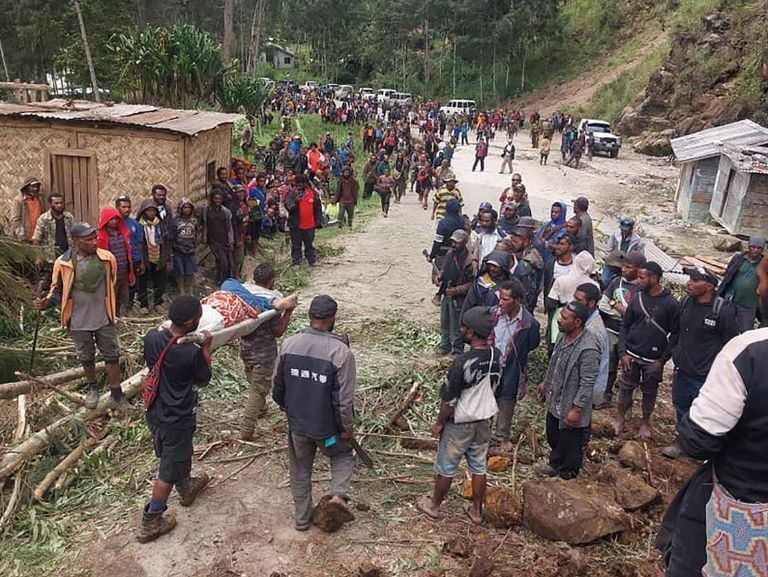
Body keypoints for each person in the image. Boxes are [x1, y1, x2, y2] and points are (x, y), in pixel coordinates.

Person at [655, 302, 768, 577]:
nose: (756, 290)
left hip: (740, 507)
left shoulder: (748, 351)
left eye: (762, 280)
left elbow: (698, 442)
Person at [272, 295, 356, 531]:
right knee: (340, 455)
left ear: (309, 317)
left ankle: (301, 518)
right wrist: (345, 428)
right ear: (333, 319)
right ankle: (338, 497)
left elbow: (277, 387)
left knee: (300, 466)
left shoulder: (289, 344)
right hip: (327, 431)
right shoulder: (341, 353)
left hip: (298, 426)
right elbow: (343, 400)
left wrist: (288, 408)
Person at [417, 306, 501, 525]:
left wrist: (439, 422)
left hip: (460, 422)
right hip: (484, 420)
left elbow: (449, 400)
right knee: (478, 467)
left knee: (447, 466)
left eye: (464, 327)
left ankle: (434, 506)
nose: (461, 330)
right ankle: (476, 511)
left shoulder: (463, 362)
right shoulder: (496, 355)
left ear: (471, 333)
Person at [138, 295, 213, 543]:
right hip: (177, 418)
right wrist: (205, 349)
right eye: (199, 317)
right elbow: (203, 379)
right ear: (191, 321)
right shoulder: (190, 353)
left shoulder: (152, 337)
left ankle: (187, 485)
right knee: (167, 470)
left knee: (176, 454)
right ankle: (152, 519)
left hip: (155, 412)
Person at [35, 223, 128, 410]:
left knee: (112, 355)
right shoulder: (63, 263)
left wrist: (113, 308)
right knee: (86, 356)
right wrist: (45, 303)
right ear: (76, 241)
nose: (94, 242)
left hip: (103, 316)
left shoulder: (107, 259)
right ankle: (93, 388)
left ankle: (117, 394)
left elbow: (113, 282)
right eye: (88, 240)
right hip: (78, 319)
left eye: (95, 238)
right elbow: (57, 291)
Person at [662, 267, 738, 459]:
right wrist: (669, 356)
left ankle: (702, 449)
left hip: (706, 375)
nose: (689, 283)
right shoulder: (686, 301)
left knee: (704, 413)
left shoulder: (723, 310)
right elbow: (677, 332)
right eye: (690, 279)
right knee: (681, 406)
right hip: (683, 369)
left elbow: (730, 344)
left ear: (710, 286)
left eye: (695, 280)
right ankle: (681, 441)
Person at [614, 262, 679, 440]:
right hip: (632, 354)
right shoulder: (636, 298)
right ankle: (620, 418)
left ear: (654, 278)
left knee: (650, 391)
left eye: (642, 277)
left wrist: (662, 360)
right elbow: (625, 326)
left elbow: (675, 335)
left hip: (653, 359)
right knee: (625, 388)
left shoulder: (671, 304)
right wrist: (623, 353)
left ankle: (645, 422)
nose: (638, 280)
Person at [535, 301, 599, 479]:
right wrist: (546, 382)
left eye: (564, 318)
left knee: (570, 441)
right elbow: (555, 363)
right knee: (554, 435)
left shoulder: (588, 348)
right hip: (556, 400)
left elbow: (587, 382)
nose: (559, 320)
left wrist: (577, 408)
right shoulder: (564, 337)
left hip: (570, 404)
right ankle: (554, 464)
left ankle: (568, 473)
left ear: (577, 322)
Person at [239, 264, 296, 441]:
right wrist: (288, 312)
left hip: (246, 349)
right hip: (263, 354)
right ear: (271, 281)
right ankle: (247, 430)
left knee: (254, 380)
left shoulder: (244, 294)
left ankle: (261, 409)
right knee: (258, 389)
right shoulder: (272, 300)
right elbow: (277, 331)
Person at [491, 279, 541, 452]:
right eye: (500, 298)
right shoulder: (493, 315)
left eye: (505, 299)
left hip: (511, 368)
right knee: (486, 397)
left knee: (506, 400)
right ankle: (481, 434)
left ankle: (502, 437)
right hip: (490, 366)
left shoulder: (529, 324)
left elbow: (532, 344)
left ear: (517, 300)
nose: (500, 302)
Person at [597, 251, 646, 407]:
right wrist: (621, 311)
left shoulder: (642, 288)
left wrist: (620, 308)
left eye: (629, 267)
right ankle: (606, 394)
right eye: (624, 266)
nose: (624, 270)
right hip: (612, 330)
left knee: (629, 369)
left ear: (639, 269)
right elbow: (603, 305)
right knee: (609, 363)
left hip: (632, 335)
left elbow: (639, 315)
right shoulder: (616, 282)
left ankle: (626, 404)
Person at [435, 229, 476, 356]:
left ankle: (457, 349)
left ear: (464, 243)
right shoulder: (450, 253)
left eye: (457, 242)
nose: (454, 245)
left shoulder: (470, 262)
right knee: (445, 322)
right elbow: (444, 268)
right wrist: (439, 276)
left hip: (459, 299)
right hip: (446, 293)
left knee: (458, 326)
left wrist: (457, 290)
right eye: (453, 242)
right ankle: (445, 345)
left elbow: (473, 284)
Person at [717, 236, 764, 332]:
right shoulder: (739, 258)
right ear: (748, 246)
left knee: (745, 330)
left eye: (759, 248)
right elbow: (728, 275)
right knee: (724, 326)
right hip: (730, 300)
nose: (755, 250)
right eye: (753, 247)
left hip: (749, 304)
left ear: (762, 250)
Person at [97, 207, 135, 315]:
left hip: (122, 269)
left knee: (121, 296)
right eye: (111, 219)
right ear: (105, 221)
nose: (114, 222)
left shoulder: (122, 233)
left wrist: (130, 270)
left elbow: (128, 251)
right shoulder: (101, 236)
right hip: (109, 271)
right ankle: (110, 316)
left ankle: (117, 314)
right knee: (110, 295)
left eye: (116, 219)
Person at [542, 234, 576, 355]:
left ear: (571, 247)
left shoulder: (577, 266)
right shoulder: (550, 265)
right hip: (555, 306)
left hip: (572, 308)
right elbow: (546, 285)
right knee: (553, 339)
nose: (558, 247)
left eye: (562, 244)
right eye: (558, 244)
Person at [136, 199, 168, 314]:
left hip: (158, 254)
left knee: (159, 280)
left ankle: (158, 303)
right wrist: (141, 260)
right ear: (143, 212)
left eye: (153, 210)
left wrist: (165, 256)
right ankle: (143, 304)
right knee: (142, 281)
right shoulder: (139, 224)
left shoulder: (159, 223)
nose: (151, 213)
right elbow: (138, 242)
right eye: (149, 210)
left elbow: (165, 240)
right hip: (145, 256)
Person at [285, 174, 324, 266]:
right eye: (297, 183)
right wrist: (296, 202)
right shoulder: (292, 193)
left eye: (301, 183)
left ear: (305, 183)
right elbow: (288, 206)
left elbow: (318, 208)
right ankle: (297, 261)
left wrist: (318, 221)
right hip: (296, 225)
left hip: (310, 224)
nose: (299, 185)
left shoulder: (313, 193)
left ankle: (311, 260)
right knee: (296, 244)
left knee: (309, 243)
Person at [32, 192, 74, 277]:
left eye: (61, 203)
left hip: (67, 254)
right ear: (51, 204)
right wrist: (38, 257)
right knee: (49, 280)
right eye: (56, 203)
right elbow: (37, 239)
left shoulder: (68, 217)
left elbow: (74, 235)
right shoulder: (44, 219)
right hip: (50, 257)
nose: (59, 205)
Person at [460, 251, 511, 318]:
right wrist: (463, 322)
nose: (492, 269)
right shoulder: (480, 281)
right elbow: (469, 303)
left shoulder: (511, 284)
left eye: (495, 266)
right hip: (480, 319)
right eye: (490, 265)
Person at [115, 195, 144, 308]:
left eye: (129, 207)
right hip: (119, 259)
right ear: (117, 207)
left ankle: (129, 305)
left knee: (132, 283)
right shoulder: (113, 223)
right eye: (124, 207)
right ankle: (117, 307)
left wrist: (141, 261)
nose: (127, 209)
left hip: (134, 258)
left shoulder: (135, 224)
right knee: (118, 282)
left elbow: (139, 242)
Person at [200, 191, 234, 286]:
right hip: (213, 240)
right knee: (224, 263)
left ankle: (220, 281)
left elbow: (229, 227)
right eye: (216, 198)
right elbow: (201, 224)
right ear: (212, 199)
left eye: (220, 199)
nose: (218, 201)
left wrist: (231, 240)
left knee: (222, 262)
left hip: (224, 239)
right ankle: (222, 282)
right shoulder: (206, 210)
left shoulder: (225, 211)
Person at [169, 198, 199, 296]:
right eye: (185, 207)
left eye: (189, 207)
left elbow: (196, 233)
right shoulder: (176, 221)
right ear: (180, 209)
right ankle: (181, 290)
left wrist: (195, 245)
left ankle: (189, 290)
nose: (187, 209)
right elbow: (172, 235)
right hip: (178, 250)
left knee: (190, 271)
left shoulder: (194, 221)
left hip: (190, 250)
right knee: (179, 271)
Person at [429, 198, 465, 267]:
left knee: (437, 276)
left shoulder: (442, 223)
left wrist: (431, 256)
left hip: (443, 256)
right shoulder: (463, 222)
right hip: (459, 257)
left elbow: (437, 242)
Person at [11, 177, 44, 241]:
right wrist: (21, 236)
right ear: (26, 187)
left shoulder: (39, 199)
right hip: (24, 237)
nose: (35, 189)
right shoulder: (18, 201)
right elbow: (15, 220)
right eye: (33, 186)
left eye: (37, 187)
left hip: (36, 236)